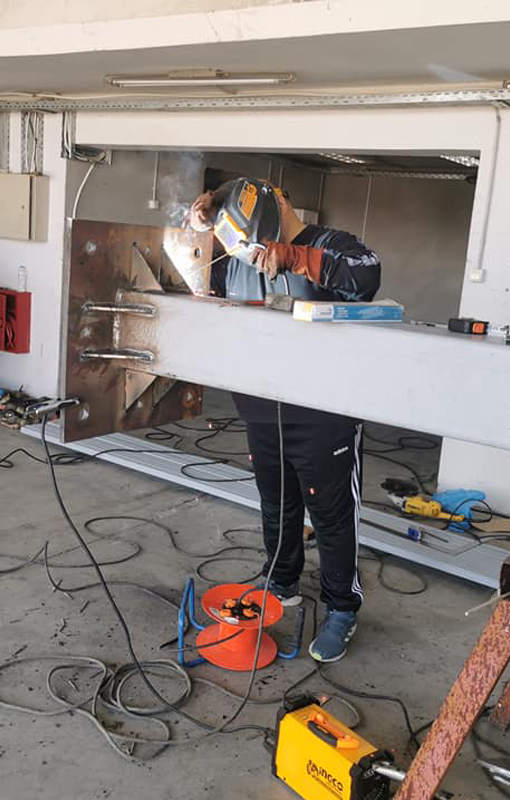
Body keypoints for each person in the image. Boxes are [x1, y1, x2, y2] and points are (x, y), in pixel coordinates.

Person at [189, 180, 381, 662]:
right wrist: (198, 226)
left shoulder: (332, 244)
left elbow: (367, 276)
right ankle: (282, 583)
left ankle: (342, 608)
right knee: (276, 505)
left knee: (332, 517)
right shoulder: (237, 254)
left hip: (324, 415)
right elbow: (194, 279)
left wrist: (293, 257)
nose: (256, 252)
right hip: (261, 408)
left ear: (278, 202)